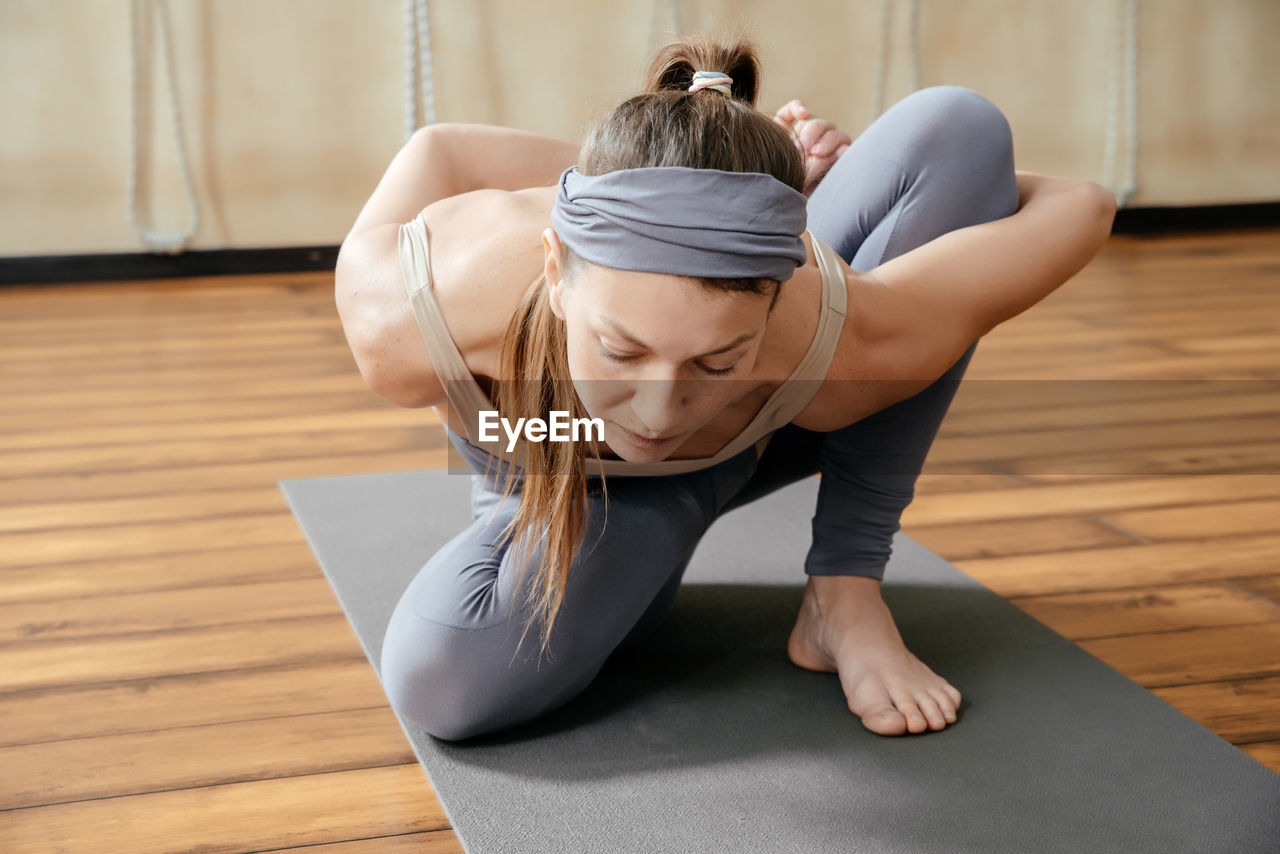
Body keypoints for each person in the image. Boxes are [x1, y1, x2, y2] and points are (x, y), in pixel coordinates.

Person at [335, 33, 1116, 743]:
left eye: (716, 361)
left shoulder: (831, 334)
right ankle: (645, 547)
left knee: (958, 127)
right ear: (554, 269)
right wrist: (663, 183)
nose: (657, 412)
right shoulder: (412, 311)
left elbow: (1085, 203)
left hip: (761, 435)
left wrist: (767, 199)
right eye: (619, 349)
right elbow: (439, 149)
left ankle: (843, 596)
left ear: (776, 302)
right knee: (442, 684)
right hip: (559, 470)